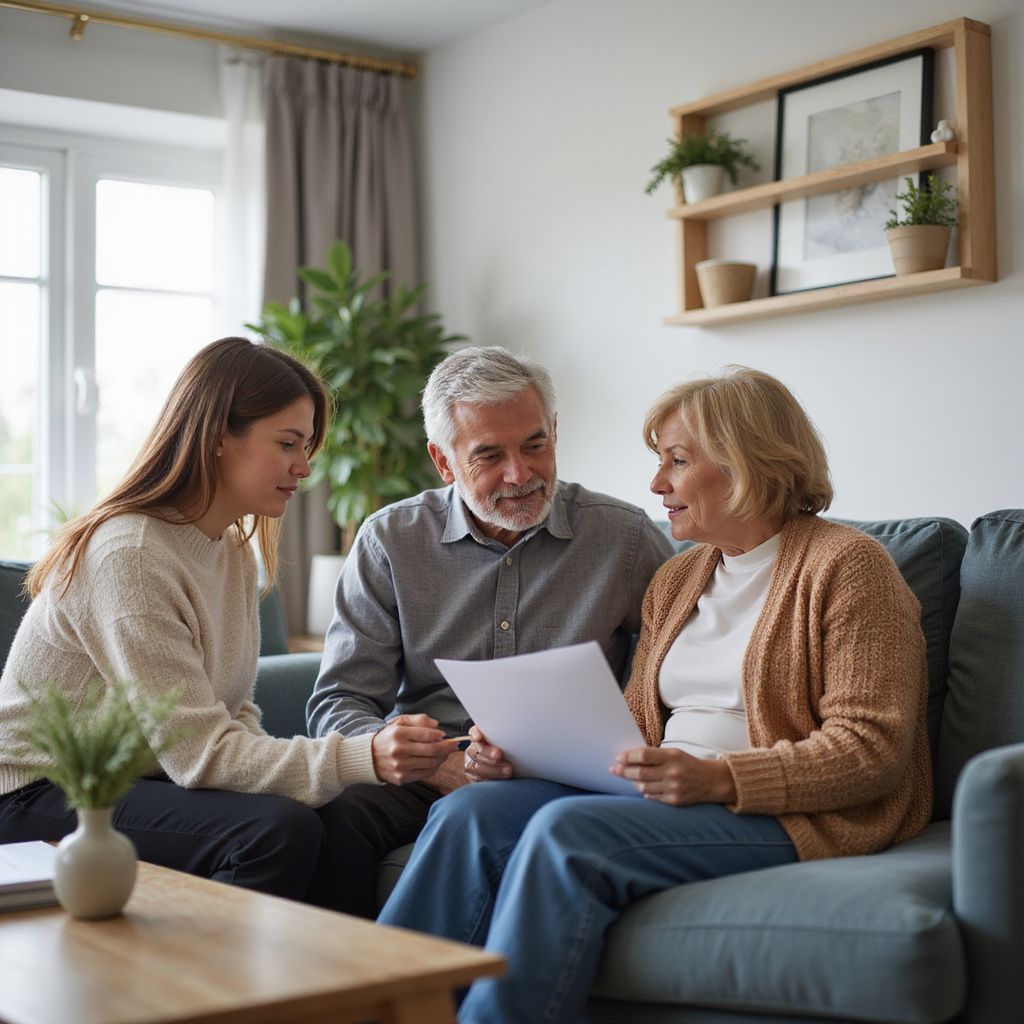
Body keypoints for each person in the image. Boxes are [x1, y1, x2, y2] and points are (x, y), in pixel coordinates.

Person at [378, 366, 933, 1024]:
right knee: (472, 814)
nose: (656, 484)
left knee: (568, 833)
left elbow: (873, 750)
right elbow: (638, 729)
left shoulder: (848, 565)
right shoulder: (679, 577)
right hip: (669, 796)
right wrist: (522, 759)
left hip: (786, 812)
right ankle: (372, 1009)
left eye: (676, 461)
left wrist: (720, 779)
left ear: (747, 463)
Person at [0, 336, 456, 904]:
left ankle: (328, 985)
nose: (305, 466)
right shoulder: (131, 554)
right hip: (43, 792)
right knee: (274, 832)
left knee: (325, 815)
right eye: (288, 443)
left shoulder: (233, 550)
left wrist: (309, 777)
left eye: (308, 445)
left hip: (145, 778)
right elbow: (201, 755)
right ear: (219, 436)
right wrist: (364, 755)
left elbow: (233, 714)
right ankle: (212, 989)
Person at [306, 345, 675, 917]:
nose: (520, 474)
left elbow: (677, 675)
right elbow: (340, 701)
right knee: (330, 817)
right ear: (443, 460)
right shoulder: (390, 541)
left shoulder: (622, 539)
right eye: (489, 455)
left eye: (535, 444)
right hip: (431, 770)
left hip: (568, 776)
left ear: (554, 431)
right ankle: (336, 990)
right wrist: (430, 764)